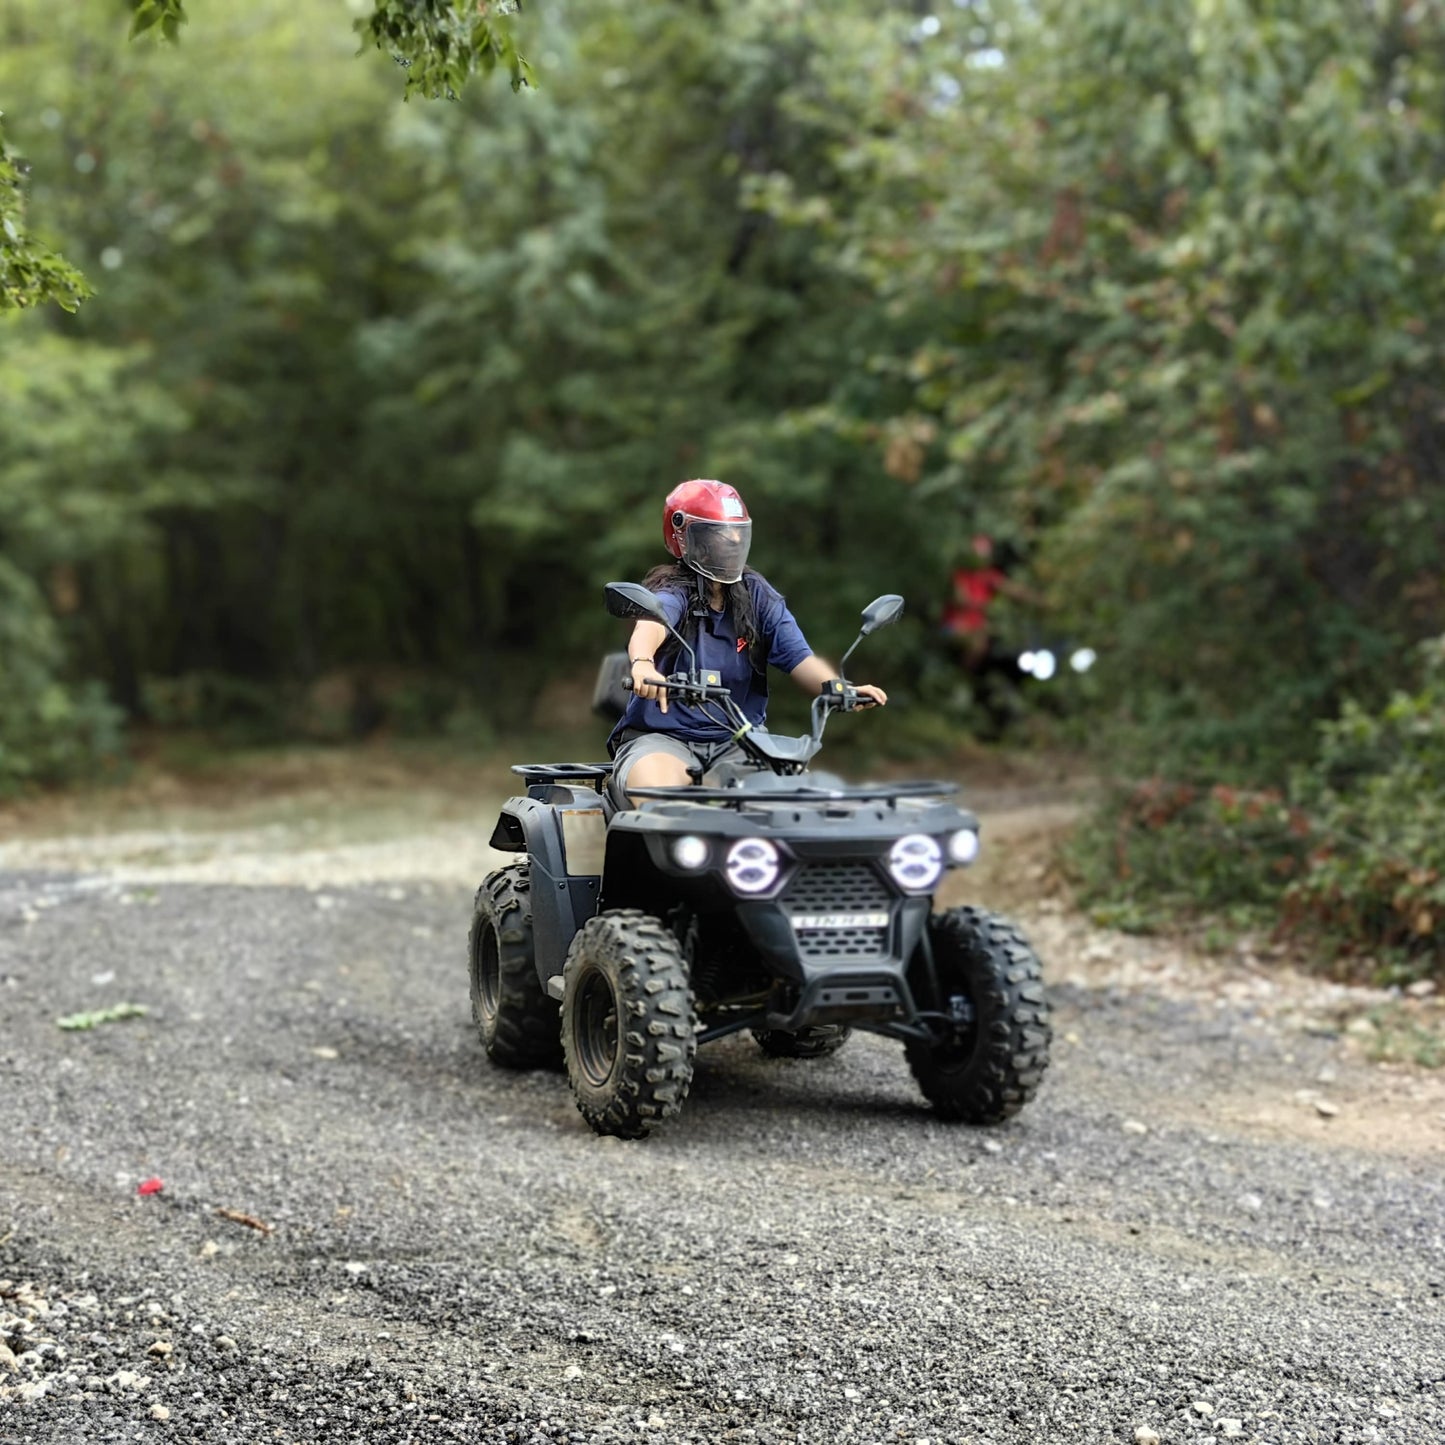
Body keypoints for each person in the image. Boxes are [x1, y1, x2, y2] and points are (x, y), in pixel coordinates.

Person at [608, 479, 888, 803]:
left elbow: (801, 658)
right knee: (658, 796)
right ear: (683, 537)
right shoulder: (672, 591)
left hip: (740, 743)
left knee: (794, 801)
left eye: (737, 532)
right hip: (663, 738)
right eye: (716, 533)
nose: (730, 540)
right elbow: (651, 625)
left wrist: (839, 688)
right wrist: (643, 664)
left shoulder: (757, 596)